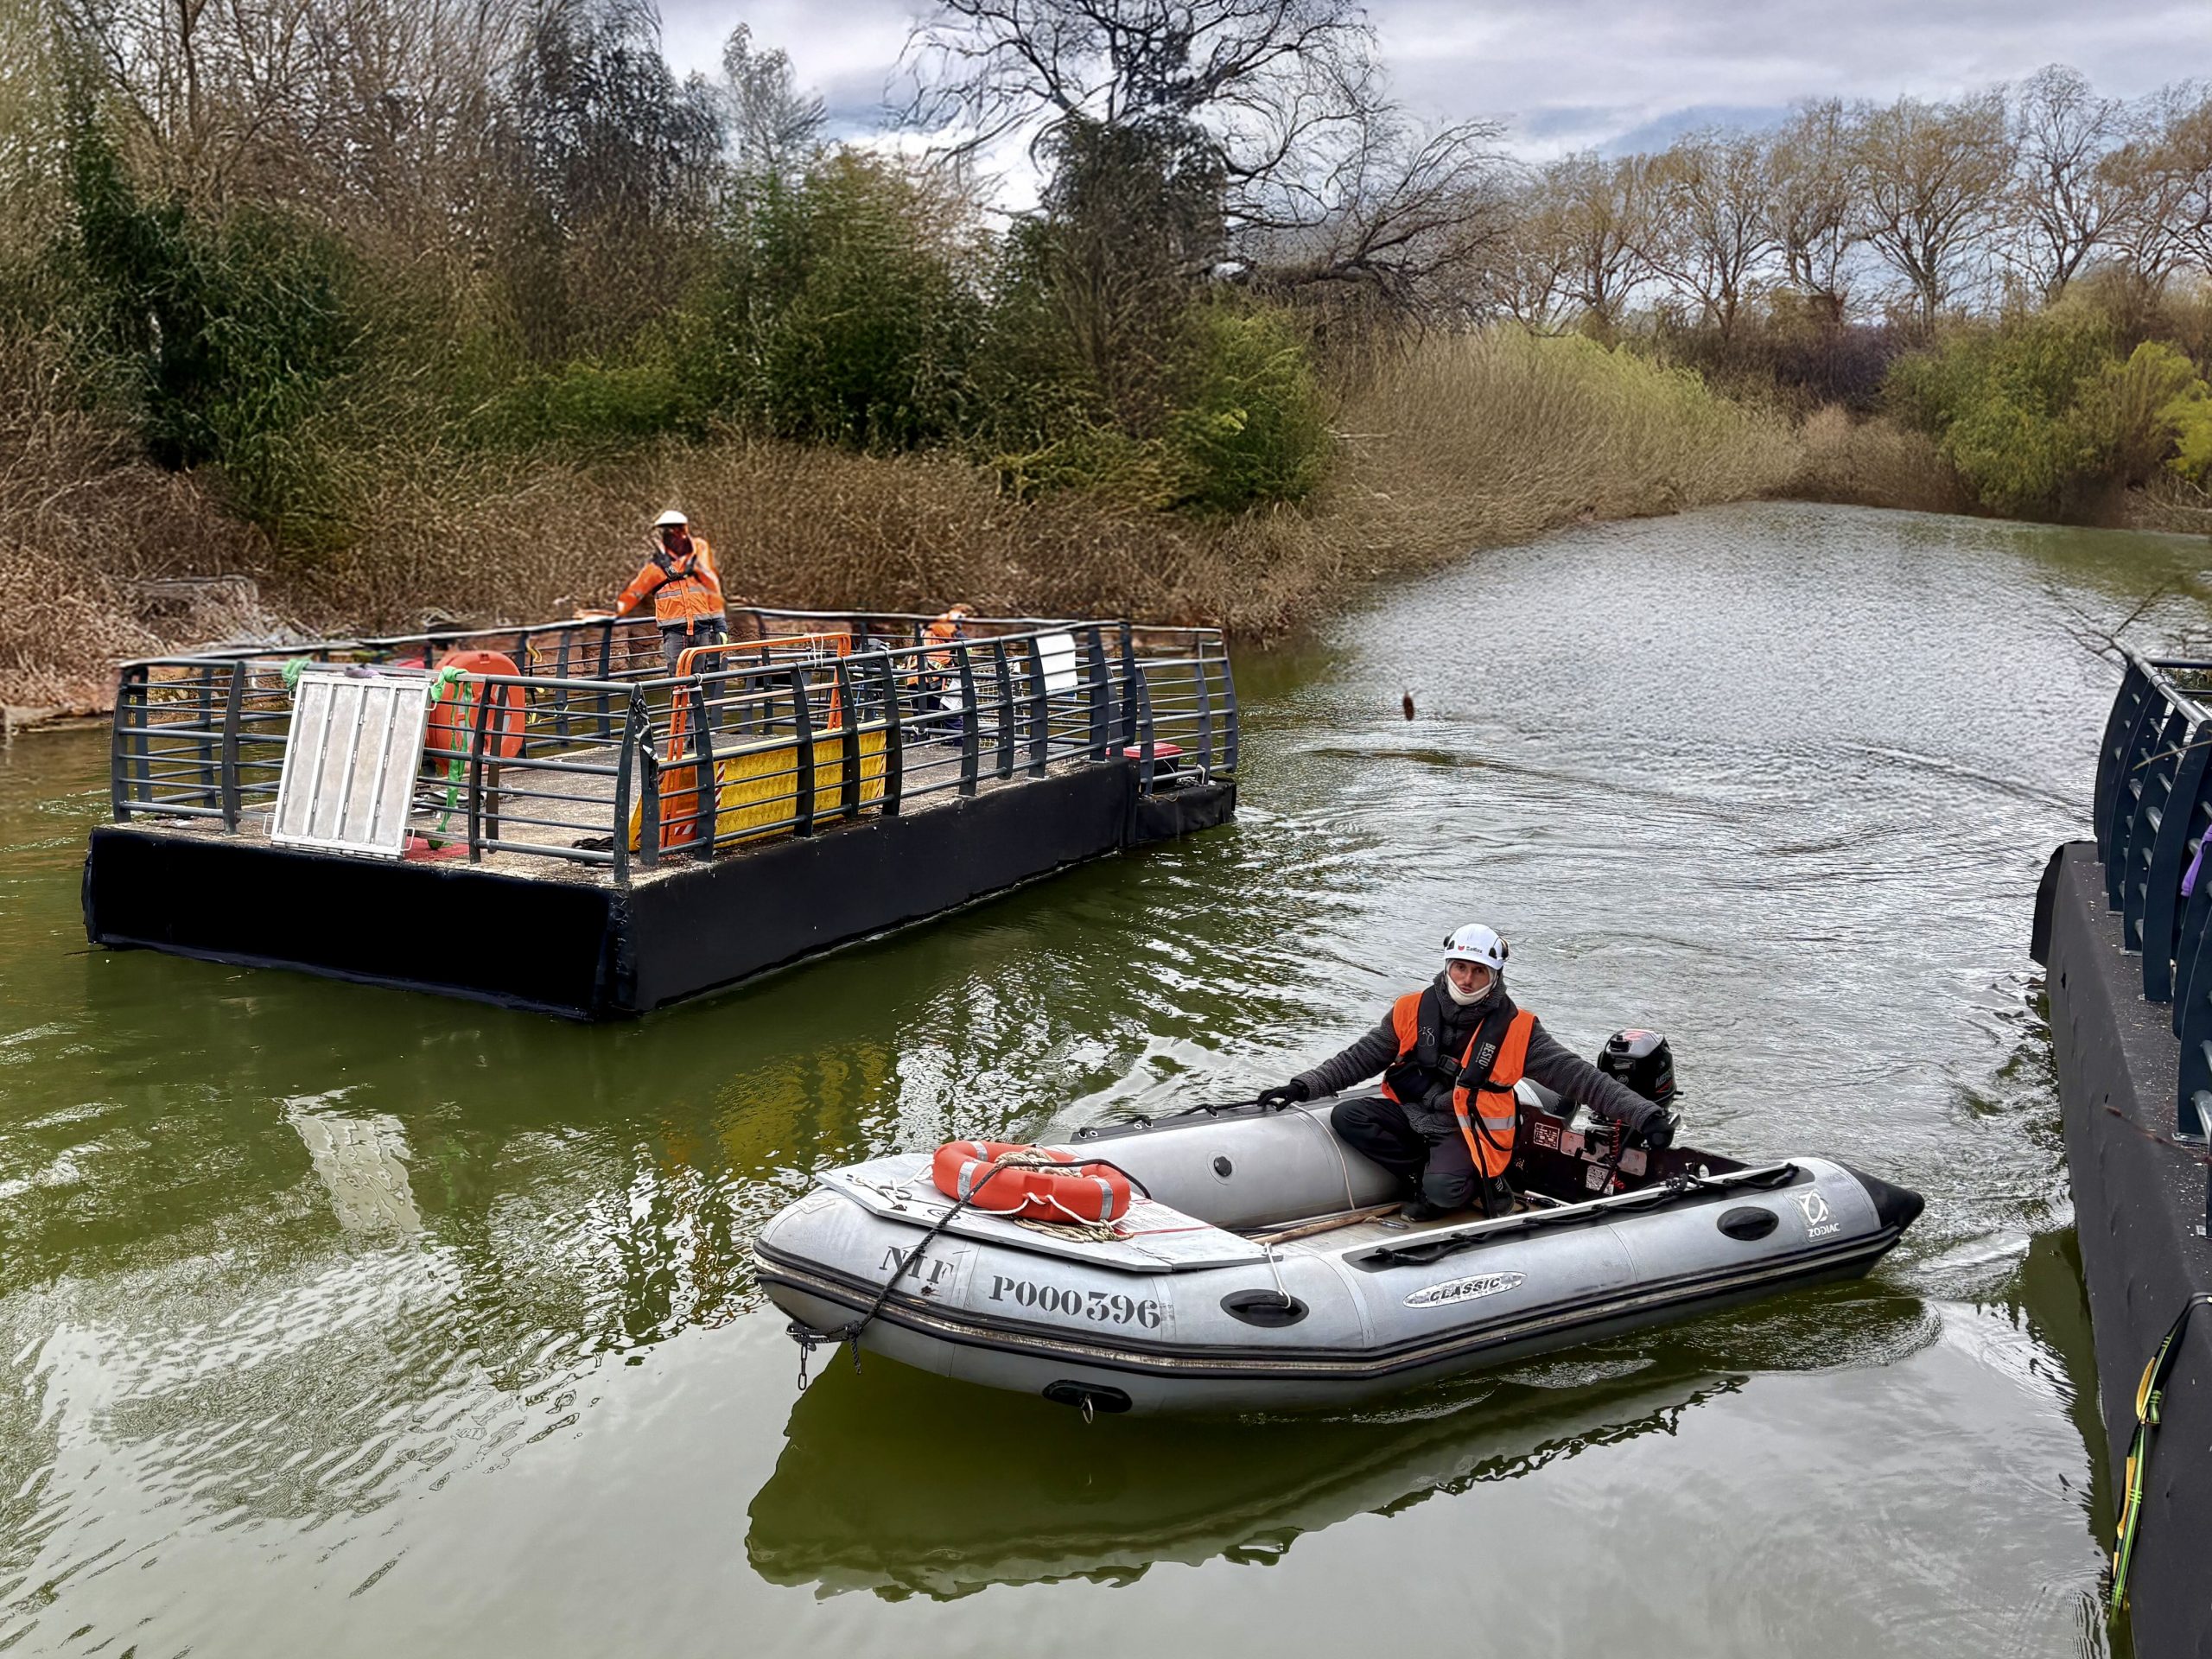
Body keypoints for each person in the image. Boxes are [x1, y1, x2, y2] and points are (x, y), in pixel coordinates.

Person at [1258, 923, 1673, 1220]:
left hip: (1468, 1129)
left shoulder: (1518, 1029)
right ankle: (1425, 1171)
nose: (1468, 979)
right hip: (1413, 1114)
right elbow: (1361, 1057)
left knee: (1442, 1195)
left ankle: (1470, 1181)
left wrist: (1645, 1115)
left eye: (1479, 971)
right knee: (1349, 1116)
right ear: (1447, 966)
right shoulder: (1409, 1009)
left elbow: (1581, 1077)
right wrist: (1302, 1086)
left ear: (1495, 976)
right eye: (1460, 967)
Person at [597, 510, 728, 675]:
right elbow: (634, 593)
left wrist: (720, 626)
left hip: (701, 630)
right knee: (677, 677)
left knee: (698, 677)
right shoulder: (655, 568)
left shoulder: (700, 562)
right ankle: (680, 700)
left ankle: (694, 701)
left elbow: (713, 594)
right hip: (674, 632)